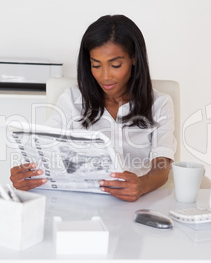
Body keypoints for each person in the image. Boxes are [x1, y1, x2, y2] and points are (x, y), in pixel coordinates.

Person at [10, 14, 176, 202]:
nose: (105, 76)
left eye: (115, 65)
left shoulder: (160, 104)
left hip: (136, 201)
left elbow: (162, 167)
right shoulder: (72, 99)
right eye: (96, 65)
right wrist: (26, 175)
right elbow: (45, 148)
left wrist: (142, 184)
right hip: (81, 200)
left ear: (134, 59)